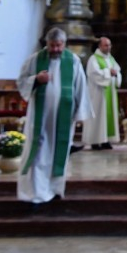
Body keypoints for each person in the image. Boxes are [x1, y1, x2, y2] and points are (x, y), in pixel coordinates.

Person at [17, 27, 92, 206]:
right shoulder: (35, 60)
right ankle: (36, 193)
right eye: (52, 45)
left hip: (63, 118)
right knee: (37, 153)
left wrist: (80, 113)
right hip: (40, 118)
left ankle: (55, 189)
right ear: (47, 44)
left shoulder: (73, 61)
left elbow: (80, 86)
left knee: (59, 153)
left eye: (59, 45)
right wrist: (36, 79)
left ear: (64, 44)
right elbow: (21, 81)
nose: (56, 49)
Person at [82, 37, 122, 151]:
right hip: (97, 94)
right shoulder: (93, 59)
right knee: (97, 116)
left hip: (109, 92)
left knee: (107, 117)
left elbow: (118, 70)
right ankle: (95, 141)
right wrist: (108, 72)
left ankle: (105, 140)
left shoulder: (110, 58)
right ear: (99, 46)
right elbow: (93, 74)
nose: (108, 47)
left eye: (109, 45)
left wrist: (116, 74)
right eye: (106, 45)